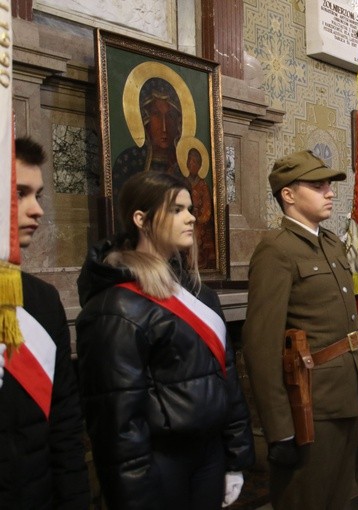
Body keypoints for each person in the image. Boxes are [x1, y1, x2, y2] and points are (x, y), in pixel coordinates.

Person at [76, 171, 254, 510]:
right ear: (141, 219)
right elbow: (119, 424)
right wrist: (133, 495)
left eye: (190, 208)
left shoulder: (200, 295)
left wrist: (236, 456)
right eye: (176, 210)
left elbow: (228, 379)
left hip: (209, 456)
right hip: (160, 463)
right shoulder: (117, 308)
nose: (191, 217)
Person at [242, 150, 358, 509]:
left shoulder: (330, 243)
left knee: (344, 498)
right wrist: (280, 428)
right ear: (288, 194)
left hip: (348, 397)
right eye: (318, 186)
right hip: (311, 407)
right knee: (308, 499)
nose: (329, 192)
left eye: (329, 185)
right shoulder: (276, 250)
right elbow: (260, 347)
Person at [0, 137, 90, 509]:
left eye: (37, 195)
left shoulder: (41, 301)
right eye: (20, 193)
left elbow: (65, 425)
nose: (37, 210)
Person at [113, 77, 184, 190]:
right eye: (156, 114)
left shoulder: (184, 164)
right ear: (145, 119)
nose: (164, 127)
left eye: (170, 116)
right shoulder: (129, 161)